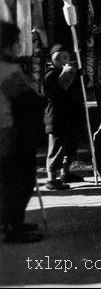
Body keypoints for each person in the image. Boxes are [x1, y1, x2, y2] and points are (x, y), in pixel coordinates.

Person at [0, 22, 45, 243]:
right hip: (10, 131)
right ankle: (11, 226)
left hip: (10, 129)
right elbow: (23, 99)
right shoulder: (6, 69)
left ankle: (14, 221)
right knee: (19, 180)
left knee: (13, 179)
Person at [43, 44, 84, 190]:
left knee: (70, 146)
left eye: (66, 57)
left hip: (71, 115)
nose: (63, 61)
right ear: (52, 60)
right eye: (58, 58)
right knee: (56, 148)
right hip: (57, 117)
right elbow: (58, 89)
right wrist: (67, 73)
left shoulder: (71, 71)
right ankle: (51, 179)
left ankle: (65, 173)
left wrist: (80, 76)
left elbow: (79, 88)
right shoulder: (50, 74)